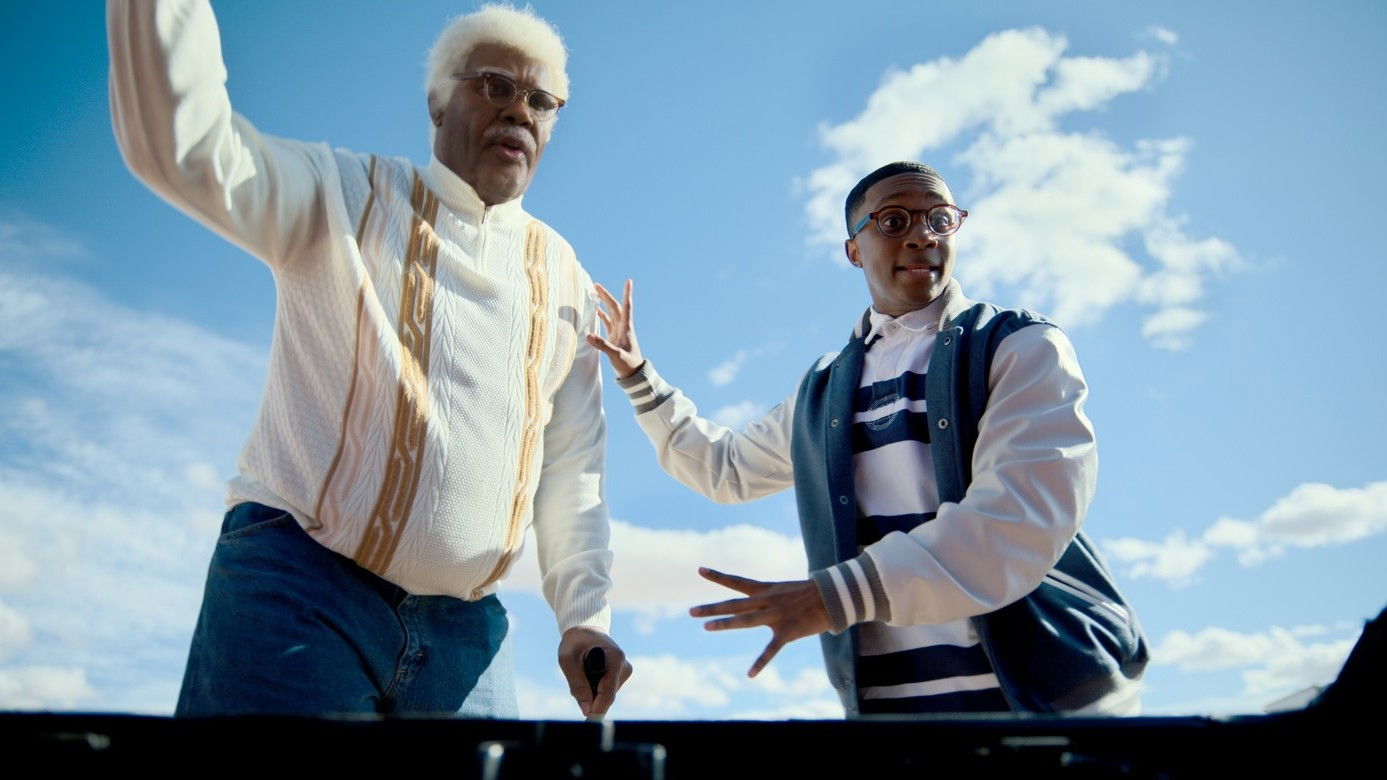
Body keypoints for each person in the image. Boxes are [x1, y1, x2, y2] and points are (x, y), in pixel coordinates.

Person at [108, 0, 631, 718]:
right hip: (298, 589)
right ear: (438, 100)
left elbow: (572, 464)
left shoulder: (566, 278)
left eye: (541, 101)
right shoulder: (340, 195)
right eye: (494, 86)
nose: (519, 111)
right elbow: (188, 149)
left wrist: (585, 616)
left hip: (467, 638)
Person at [588, 161, 1143, 716]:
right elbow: (724, 468)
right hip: (893, 713)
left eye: (939, 219)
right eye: (894, 221)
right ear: (854, 250)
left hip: (1048, 701)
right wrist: (638, 376)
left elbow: (1019, 516)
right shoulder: (825, 391)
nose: (922, 235)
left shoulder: (1019, 345)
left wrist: (833, 597)